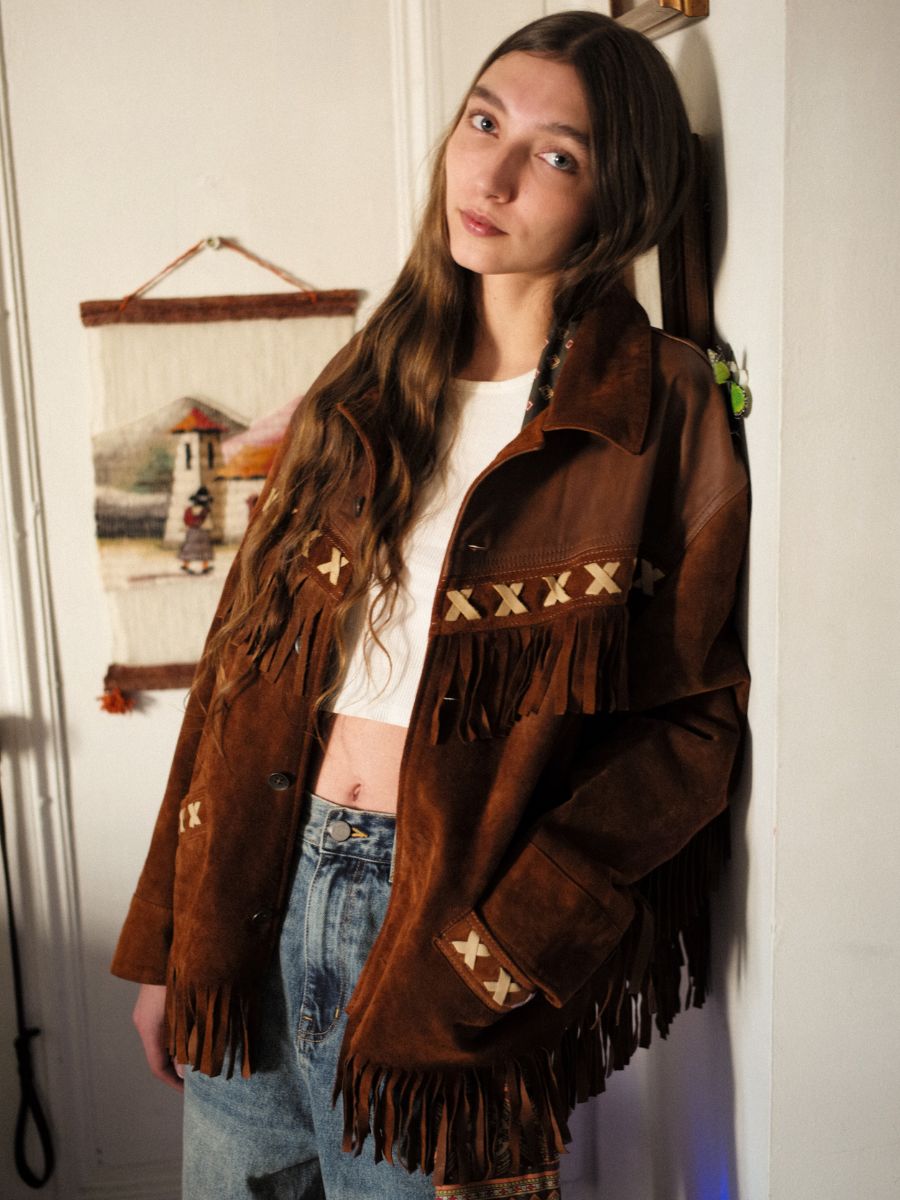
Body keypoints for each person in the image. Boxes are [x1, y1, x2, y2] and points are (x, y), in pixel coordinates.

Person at [112, 11, 750, 1200]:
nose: (494, 174)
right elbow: (237, 666)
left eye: (557, 155)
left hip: (438, 930)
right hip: (257, 889)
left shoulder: (654, 408)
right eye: (484, 121)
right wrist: (169, 948)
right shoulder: (364, 383)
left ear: (619, 198)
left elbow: (690, 726)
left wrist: (506, 944)